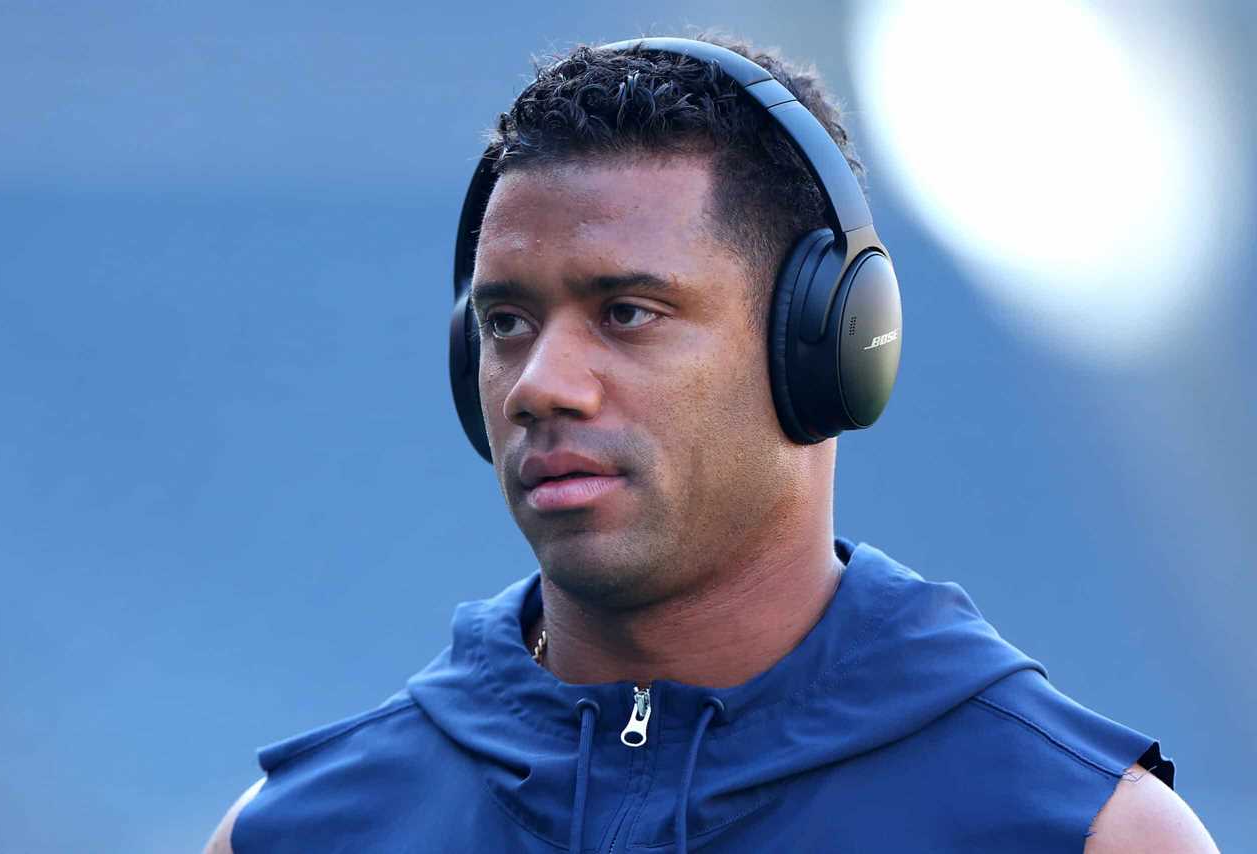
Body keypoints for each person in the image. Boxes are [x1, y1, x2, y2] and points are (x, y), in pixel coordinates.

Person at [205, 32, 1218, 853]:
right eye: (507, 322)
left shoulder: (1078, 832)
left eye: (628, 312)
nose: (540, 384)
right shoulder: (296, 832)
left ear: (818, 346)